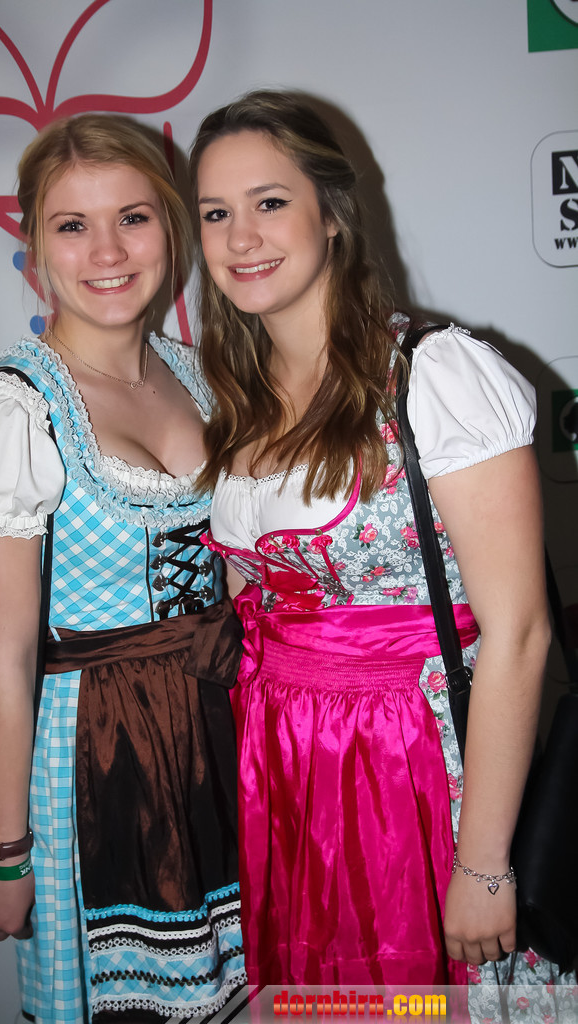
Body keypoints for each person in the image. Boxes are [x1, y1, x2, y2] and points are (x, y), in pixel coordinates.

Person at [189, 89, 562, 996]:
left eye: (269, 202)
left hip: (414, 769)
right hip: (289, 770)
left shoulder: (434, 373)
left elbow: (519, 634)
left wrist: (484, 863)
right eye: (215, 213)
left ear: (332, 214)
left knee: (423, 1001)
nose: (241, 237)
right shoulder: (235, 399)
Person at [0, 113, 245, 1023]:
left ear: (170, 229)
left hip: (221, 734)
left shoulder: (201, 376)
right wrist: (5, 853)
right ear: (35, 247)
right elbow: (7, 663)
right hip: (97, 761)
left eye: (132, 218)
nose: (107, 251)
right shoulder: (15, 413)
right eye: (73, 225)